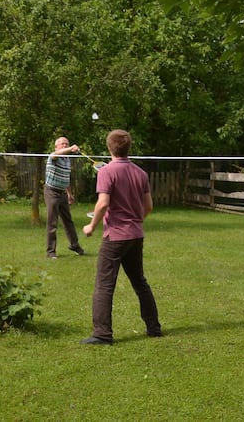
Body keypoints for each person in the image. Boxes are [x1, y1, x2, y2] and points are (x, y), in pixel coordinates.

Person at [80, 129, 162, 344]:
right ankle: (154, 328)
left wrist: (91, 225)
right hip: (136, 235)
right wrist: (136, 220)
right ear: (128, 147)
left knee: (104, 285)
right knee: (140, 282)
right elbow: (149, 207)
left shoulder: (106, 172)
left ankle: (102, 334)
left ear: (109, 147)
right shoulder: (140, 173)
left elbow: (103, 203)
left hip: (115, 236)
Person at [44, 136, 85, 259]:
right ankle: (51, 252)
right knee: (52, 223)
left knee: (68, 221)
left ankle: (75, 245)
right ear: (56, 147)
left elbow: (65, 178)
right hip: (51, 192)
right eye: (62, 144)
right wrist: (71, 148)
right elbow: (57, 154)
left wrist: (69, 193)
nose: (65, 145)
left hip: (62, 193)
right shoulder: (53, 157)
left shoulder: (67, 159)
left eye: (67, 143)